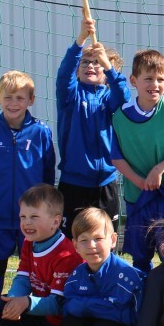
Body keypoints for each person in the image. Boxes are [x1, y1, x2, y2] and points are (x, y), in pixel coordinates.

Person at [0, 70, 55, 302]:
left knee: (34, 263)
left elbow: (48, 168)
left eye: (20, 98)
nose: (13, 103)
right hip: (1, 212)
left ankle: (35, 305)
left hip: (33, 215)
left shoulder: (40, 131)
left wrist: (40, 201)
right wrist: (0, 186)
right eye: (8, 97)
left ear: (31, 100)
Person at [111, 49, 164, 272]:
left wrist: (159, 169)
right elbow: (116, 157)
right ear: (134, 81)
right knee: (140, 252)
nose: (154, 84)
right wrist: (138, 180)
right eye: (148, 78)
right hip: (138, 194)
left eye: (160, 79)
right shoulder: (120, 115)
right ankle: (142, 296)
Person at [0, 184, 84, 326]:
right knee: (0, 306)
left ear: (55, 221)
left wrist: (25, 303)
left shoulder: (66, 254)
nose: (26, 223)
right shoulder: (30, 241)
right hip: (41, 316)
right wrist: (14, 299)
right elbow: (23, 276)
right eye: (23, 217)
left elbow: (57, 304)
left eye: (34, 217)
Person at [55, 17, 131, 236]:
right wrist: (81, 39)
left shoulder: (110, 98)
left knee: (106, 238)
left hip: (106, 182)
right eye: (85, 62)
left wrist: (107, 65)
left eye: (96, 62)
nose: (90, 65)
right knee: (72, 240)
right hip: (74, 182)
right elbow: (64, 75)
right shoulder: (71, 95)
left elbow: (123, 94)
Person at [60, 207, 145, 326]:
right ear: (75, 245)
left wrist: (87, 306)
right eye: (84, 240)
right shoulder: (76, 276)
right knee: (70, 324)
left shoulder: (127, 276)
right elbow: (68, 306)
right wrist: (102, 306)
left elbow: (132, 317)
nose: (91, 246)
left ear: (113, 240)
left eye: (98, 238)